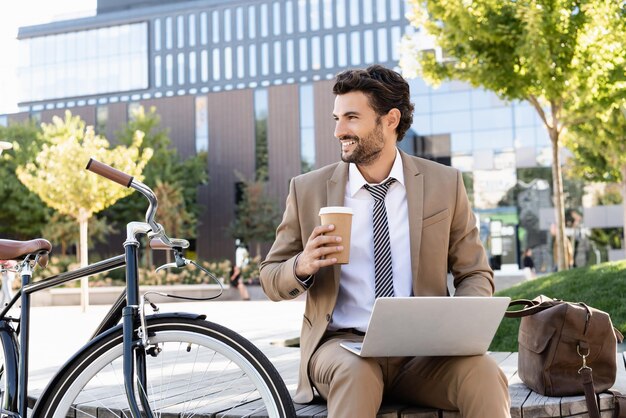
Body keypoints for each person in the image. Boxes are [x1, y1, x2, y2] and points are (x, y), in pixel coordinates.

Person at [260, 65, 510, 417]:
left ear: (390, 119)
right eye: (336, 118)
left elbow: (475, 273)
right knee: (357, 373)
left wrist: (457, 324)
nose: (338, 131)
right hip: (342, 348)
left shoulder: (445, 183)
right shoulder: (308, 189)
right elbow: (270, 276)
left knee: (484, 374)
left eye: (351, 117)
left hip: (424, 352)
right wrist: (302, 265)